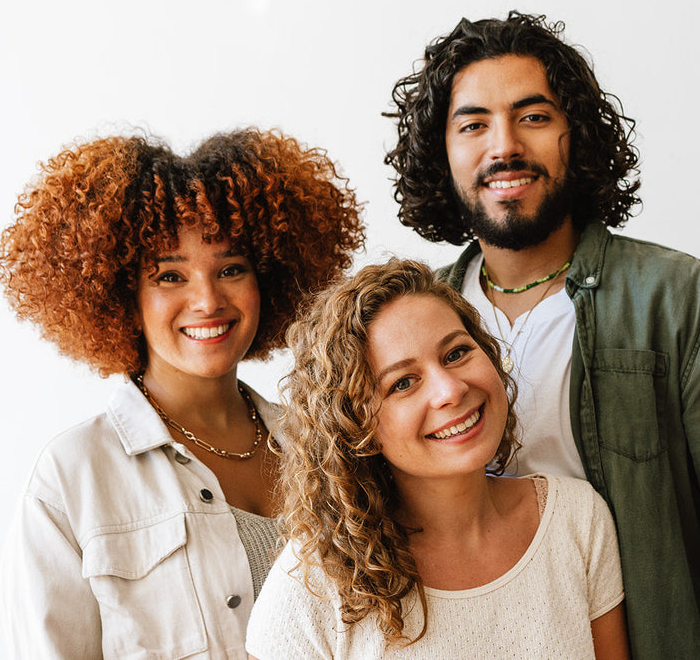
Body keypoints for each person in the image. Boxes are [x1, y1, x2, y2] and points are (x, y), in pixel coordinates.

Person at [383, 12, 700, 659]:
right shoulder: (415, 321)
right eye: (473, 124)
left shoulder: (683, 302)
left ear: (574, 136)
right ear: (440, 152)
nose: (504, 147)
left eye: (533, 116)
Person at [0, 128, 364, 658]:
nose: (207, 300)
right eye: (169, 276)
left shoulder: (328, 445)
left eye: (231, 269)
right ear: (123, 295)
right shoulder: (74, 478)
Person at [246, 258, 630, 659]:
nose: (450, 389)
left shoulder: (576, 519)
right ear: (357, 428)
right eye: (403, 383)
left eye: (456, 353)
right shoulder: (316, 582)